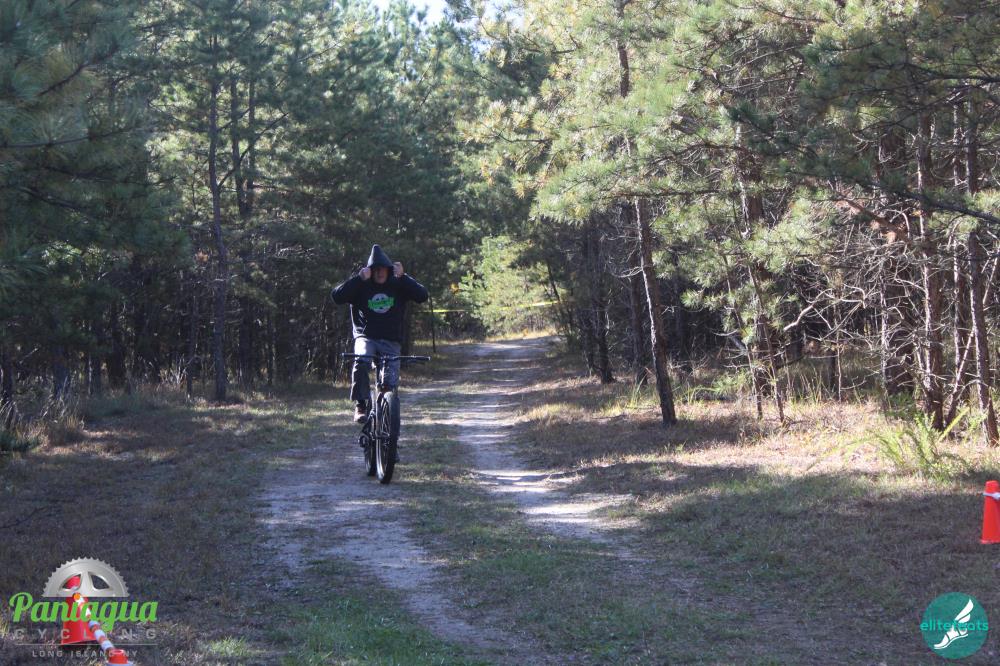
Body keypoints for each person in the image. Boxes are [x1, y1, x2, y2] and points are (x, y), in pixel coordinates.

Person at [331, 244, 429, 422]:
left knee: (388, 383)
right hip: (366, 337)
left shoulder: (397, 284)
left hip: (390, 340)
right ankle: (361, 404)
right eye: (375, 269)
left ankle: (388, 421)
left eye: (382, 269)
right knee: (361, 360)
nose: (379, 272)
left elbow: (422, 296)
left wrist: (404, 277)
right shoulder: (362, 285)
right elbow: (337, 296)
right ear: (370, 270)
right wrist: (358, 279)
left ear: (388, 269)